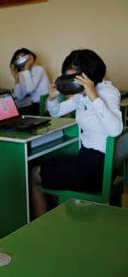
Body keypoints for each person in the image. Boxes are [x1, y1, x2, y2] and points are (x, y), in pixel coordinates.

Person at [30, 49, 123, 218]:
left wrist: (92, 94)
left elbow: (115, 129)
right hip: (91, 162)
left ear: (90, 74)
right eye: (69, 78)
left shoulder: (107, 92)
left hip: (95, 170)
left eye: (76, 78)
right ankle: (61, 212)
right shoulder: (81, 94)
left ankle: (41, 226)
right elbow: (57, 112)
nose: (73, 82)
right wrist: (52, 98)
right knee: (52, 161)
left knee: (33, 174)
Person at [10, 48, 50, 115]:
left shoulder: (39, 69)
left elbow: (30, 89)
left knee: (19, 116)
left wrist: (26, 69)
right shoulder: (27, 73)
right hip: (36, 105)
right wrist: (16, 79)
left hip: (45, 107)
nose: (22, 61)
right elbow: (20, 97)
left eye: (23, 58)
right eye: (18, 60)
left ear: (29, 58)